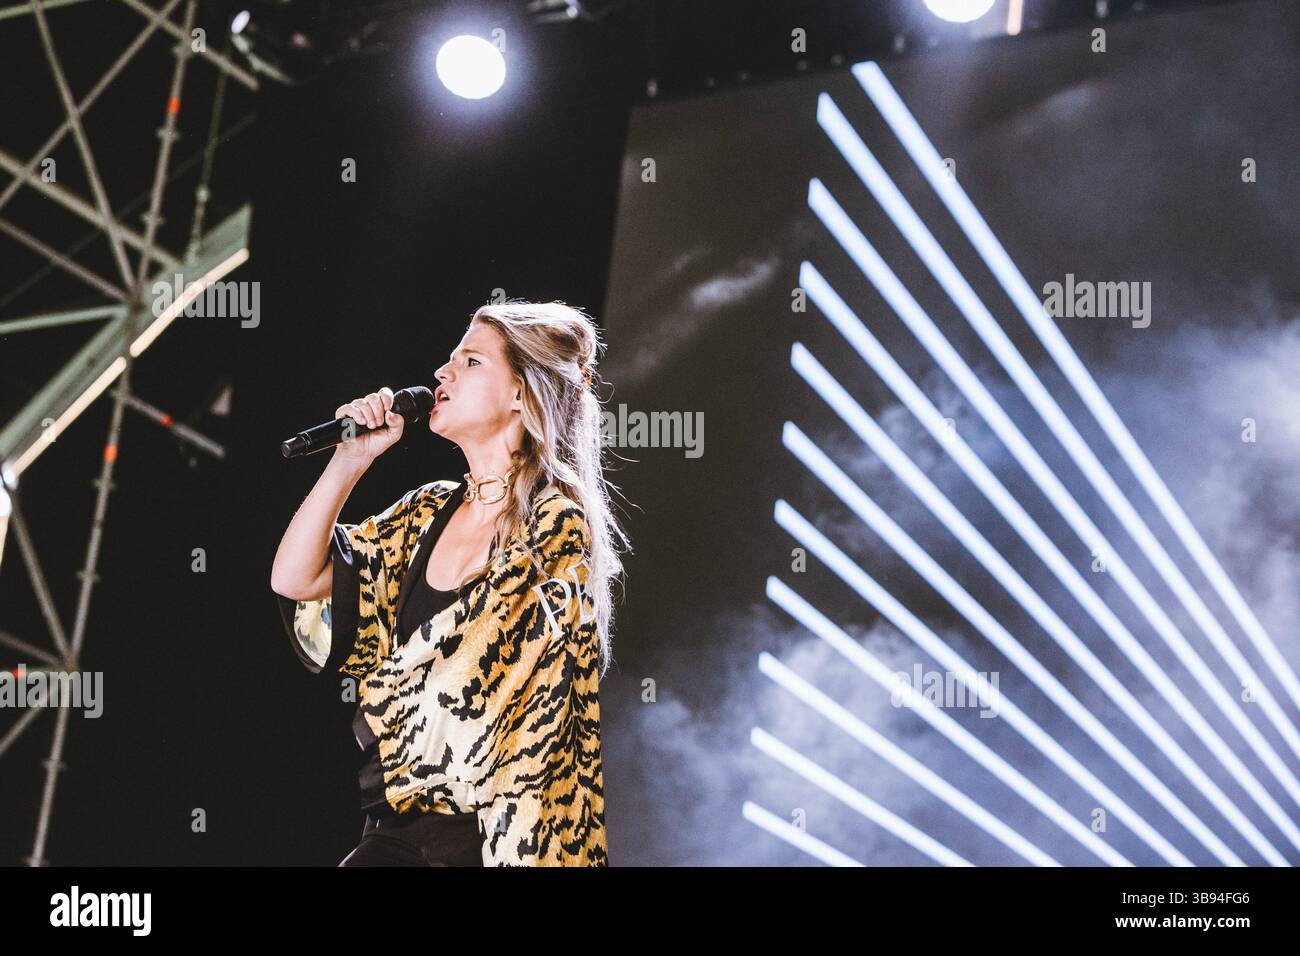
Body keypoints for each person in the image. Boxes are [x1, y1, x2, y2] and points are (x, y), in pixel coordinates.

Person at [271, 300, 629, 866]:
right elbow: (295, 578)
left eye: (471, 361)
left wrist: (386, 688)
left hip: (488, 841)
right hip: (393, 831)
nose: (443, 372)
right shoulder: (428, 509)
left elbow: (477, 692)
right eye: (449, 360)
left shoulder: (556, 525)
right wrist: (349, 462)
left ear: (521, 394)